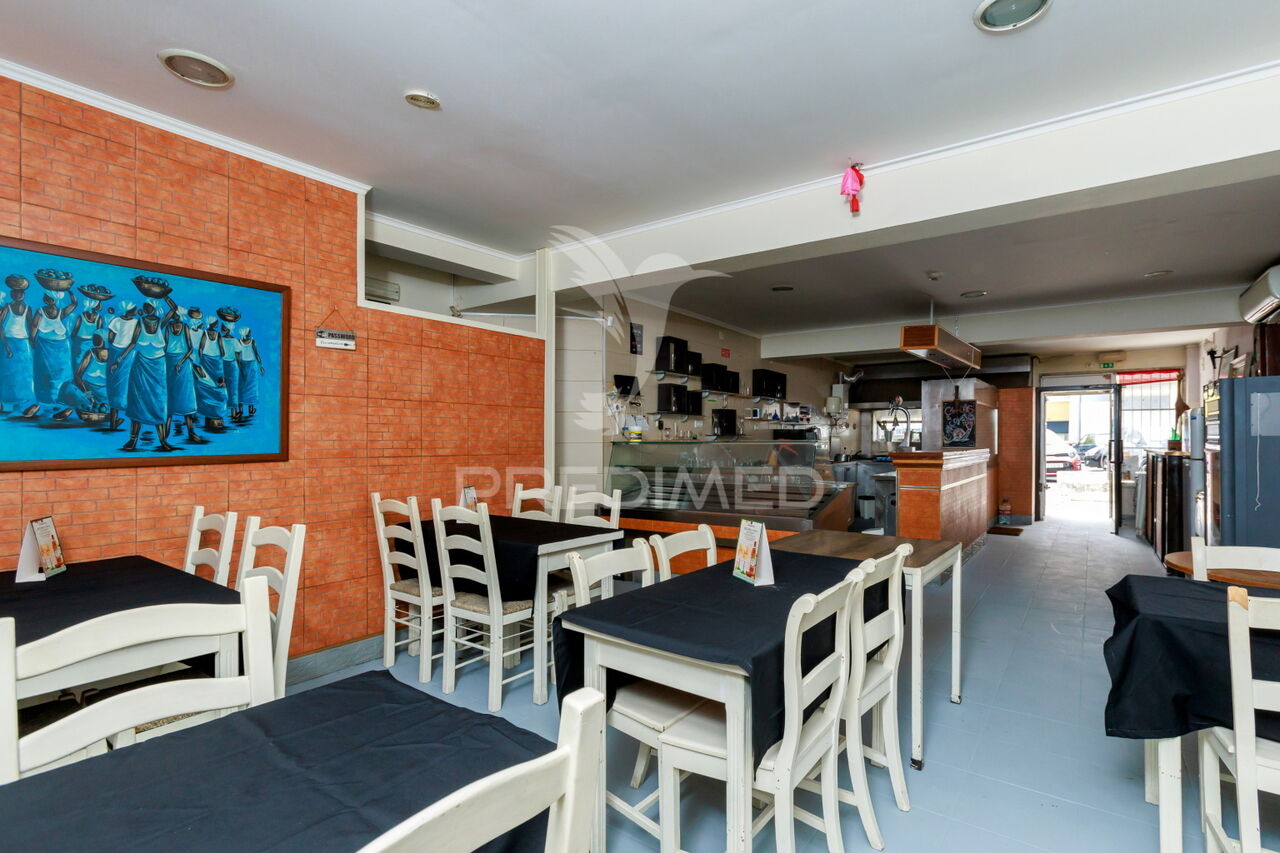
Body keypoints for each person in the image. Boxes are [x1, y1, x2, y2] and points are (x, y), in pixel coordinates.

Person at [112, 302, 174, 452]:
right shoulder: (139, 322)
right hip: (141, 365)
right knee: (137, 401)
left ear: (155, 307)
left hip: (158, 367)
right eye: (145, 306)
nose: (146, 309)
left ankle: (163, 440)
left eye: (149, 306)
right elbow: (133, 343)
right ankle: (133, 439)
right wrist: (119, 359)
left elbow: (174, 309)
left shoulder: (161, 322)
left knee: (159, 402)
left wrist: (164, 295)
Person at [29, 287, 77, 421]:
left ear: (53, 299)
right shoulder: (41, 311)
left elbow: (74, 304)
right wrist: (32, 340)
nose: (46, 299)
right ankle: (47, 403)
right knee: (44, 374)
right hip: (45, 347)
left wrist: (70, 291)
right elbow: (34, 326)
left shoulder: (60, 312)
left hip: (61, 349)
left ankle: (60, 403)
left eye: (48, 297)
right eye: (46, 297)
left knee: (60, 375)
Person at [164, 304, 205, 444]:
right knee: (169, 398)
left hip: (183, 364)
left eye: (176, 314)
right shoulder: (168, 327)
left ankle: (191, 432)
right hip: (169, 362)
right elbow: (165, 347)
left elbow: (190, 349)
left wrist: (180, 362)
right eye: (173, 314)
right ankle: (165, 434)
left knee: (186, 398)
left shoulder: (185, 327)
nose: (174, 316)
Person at [0, 276, 35, 416]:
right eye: (15, 292)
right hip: (9, 342)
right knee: (7, 373)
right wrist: (6, 346)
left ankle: (21, 404)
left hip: (23, 344)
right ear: (12, 294)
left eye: (20, 292)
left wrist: (32, 342)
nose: (18, 295)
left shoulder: (28, 308)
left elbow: (32, 327)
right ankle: (5, 402)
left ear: (23, 294)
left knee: (24, 374)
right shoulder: (6, 308)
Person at [105, 301, 139, 430]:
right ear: (128, 310)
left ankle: (114, 421)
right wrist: (119, 357)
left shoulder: (117, 321)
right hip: (125, 354)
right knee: (118, 386)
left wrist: (118, 356)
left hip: (119, 353)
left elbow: (110, 338)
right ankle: (115, 421)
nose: (136, 310)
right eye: (134, 308)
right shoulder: (133, 322)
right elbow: (133, 343)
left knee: (117, 386)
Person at [195, 316, 228, 431]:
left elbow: (201, 348)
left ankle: (212, 412)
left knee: (214, 385)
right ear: (212, 323)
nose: (217, 324)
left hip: (210, 360)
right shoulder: (210, 333)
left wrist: (201, 358)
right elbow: (221, 349)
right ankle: (212, 412)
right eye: (216, 322)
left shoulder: (214, 334)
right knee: (211, 385)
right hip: (212, 360)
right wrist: (222, 356)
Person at [69, 285, 110, 371]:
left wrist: (73, 340)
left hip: (79, 343)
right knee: (87, 366)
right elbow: (99, 334)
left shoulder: (81, 316)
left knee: (77, 364)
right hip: (91, 344)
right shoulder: (99, 318)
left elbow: (74, 333)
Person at [237, 326, 265, 418]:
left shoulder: (253, 342)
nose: (250, 334)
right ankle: (240, 410)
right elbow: (237, 357)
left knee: (251, 388)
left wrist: (261, 366)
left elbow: (257, 355)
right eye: (249, 332)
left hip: (252, 366)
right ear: (245, 333)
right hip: (242, 366)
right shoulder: (238, 342)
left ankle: (251, 409)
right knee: (241, 388)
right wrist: (239, 367)